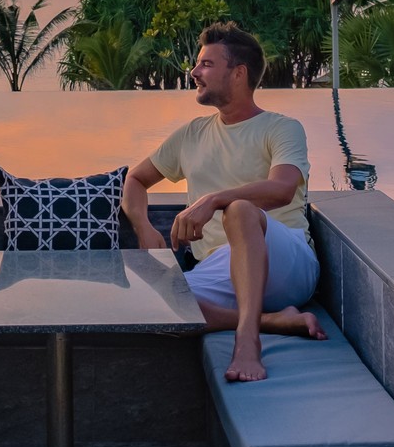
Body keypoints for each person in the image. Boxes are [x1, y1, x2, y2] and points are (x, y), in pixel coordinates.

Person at [121, 22, 326, 383]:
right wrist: (143, 227)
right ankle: (272, 320)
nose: (194, 72)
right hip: (220, 268)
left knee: (240, 210)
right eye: (198, 64)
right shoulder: (191, 134)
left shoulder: (281, 128)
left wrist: (214, 200)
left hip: (284, 259)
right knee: (149, 301)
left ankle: (248, 340)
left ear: (239, 73)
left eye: (206, 65)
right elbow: (135, 180)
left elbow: (281, 189)